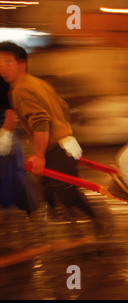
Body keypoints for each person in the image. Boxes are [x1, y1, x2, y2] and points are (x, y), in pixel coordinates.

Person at [0, 41, 100, 227]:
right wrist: (63, 129)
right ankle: (63, 222)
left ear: (22, 64)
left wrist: (39, 155)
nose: (2, 67)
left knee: (68, 192)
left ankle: (98, 222)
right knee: (49, 187)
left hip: (56, 148)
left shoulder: (21, 90)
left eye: (7, 62)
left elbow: (40, 121)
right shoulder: (37, 82)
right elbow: (62, 107)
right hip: (66, 142)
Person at [0, 76, 40, 215]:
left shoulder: (3, 81)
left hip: (5, 131)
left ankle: (28, 206)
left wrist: (6, 132)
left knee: (13, 172)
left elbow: (10, 109)